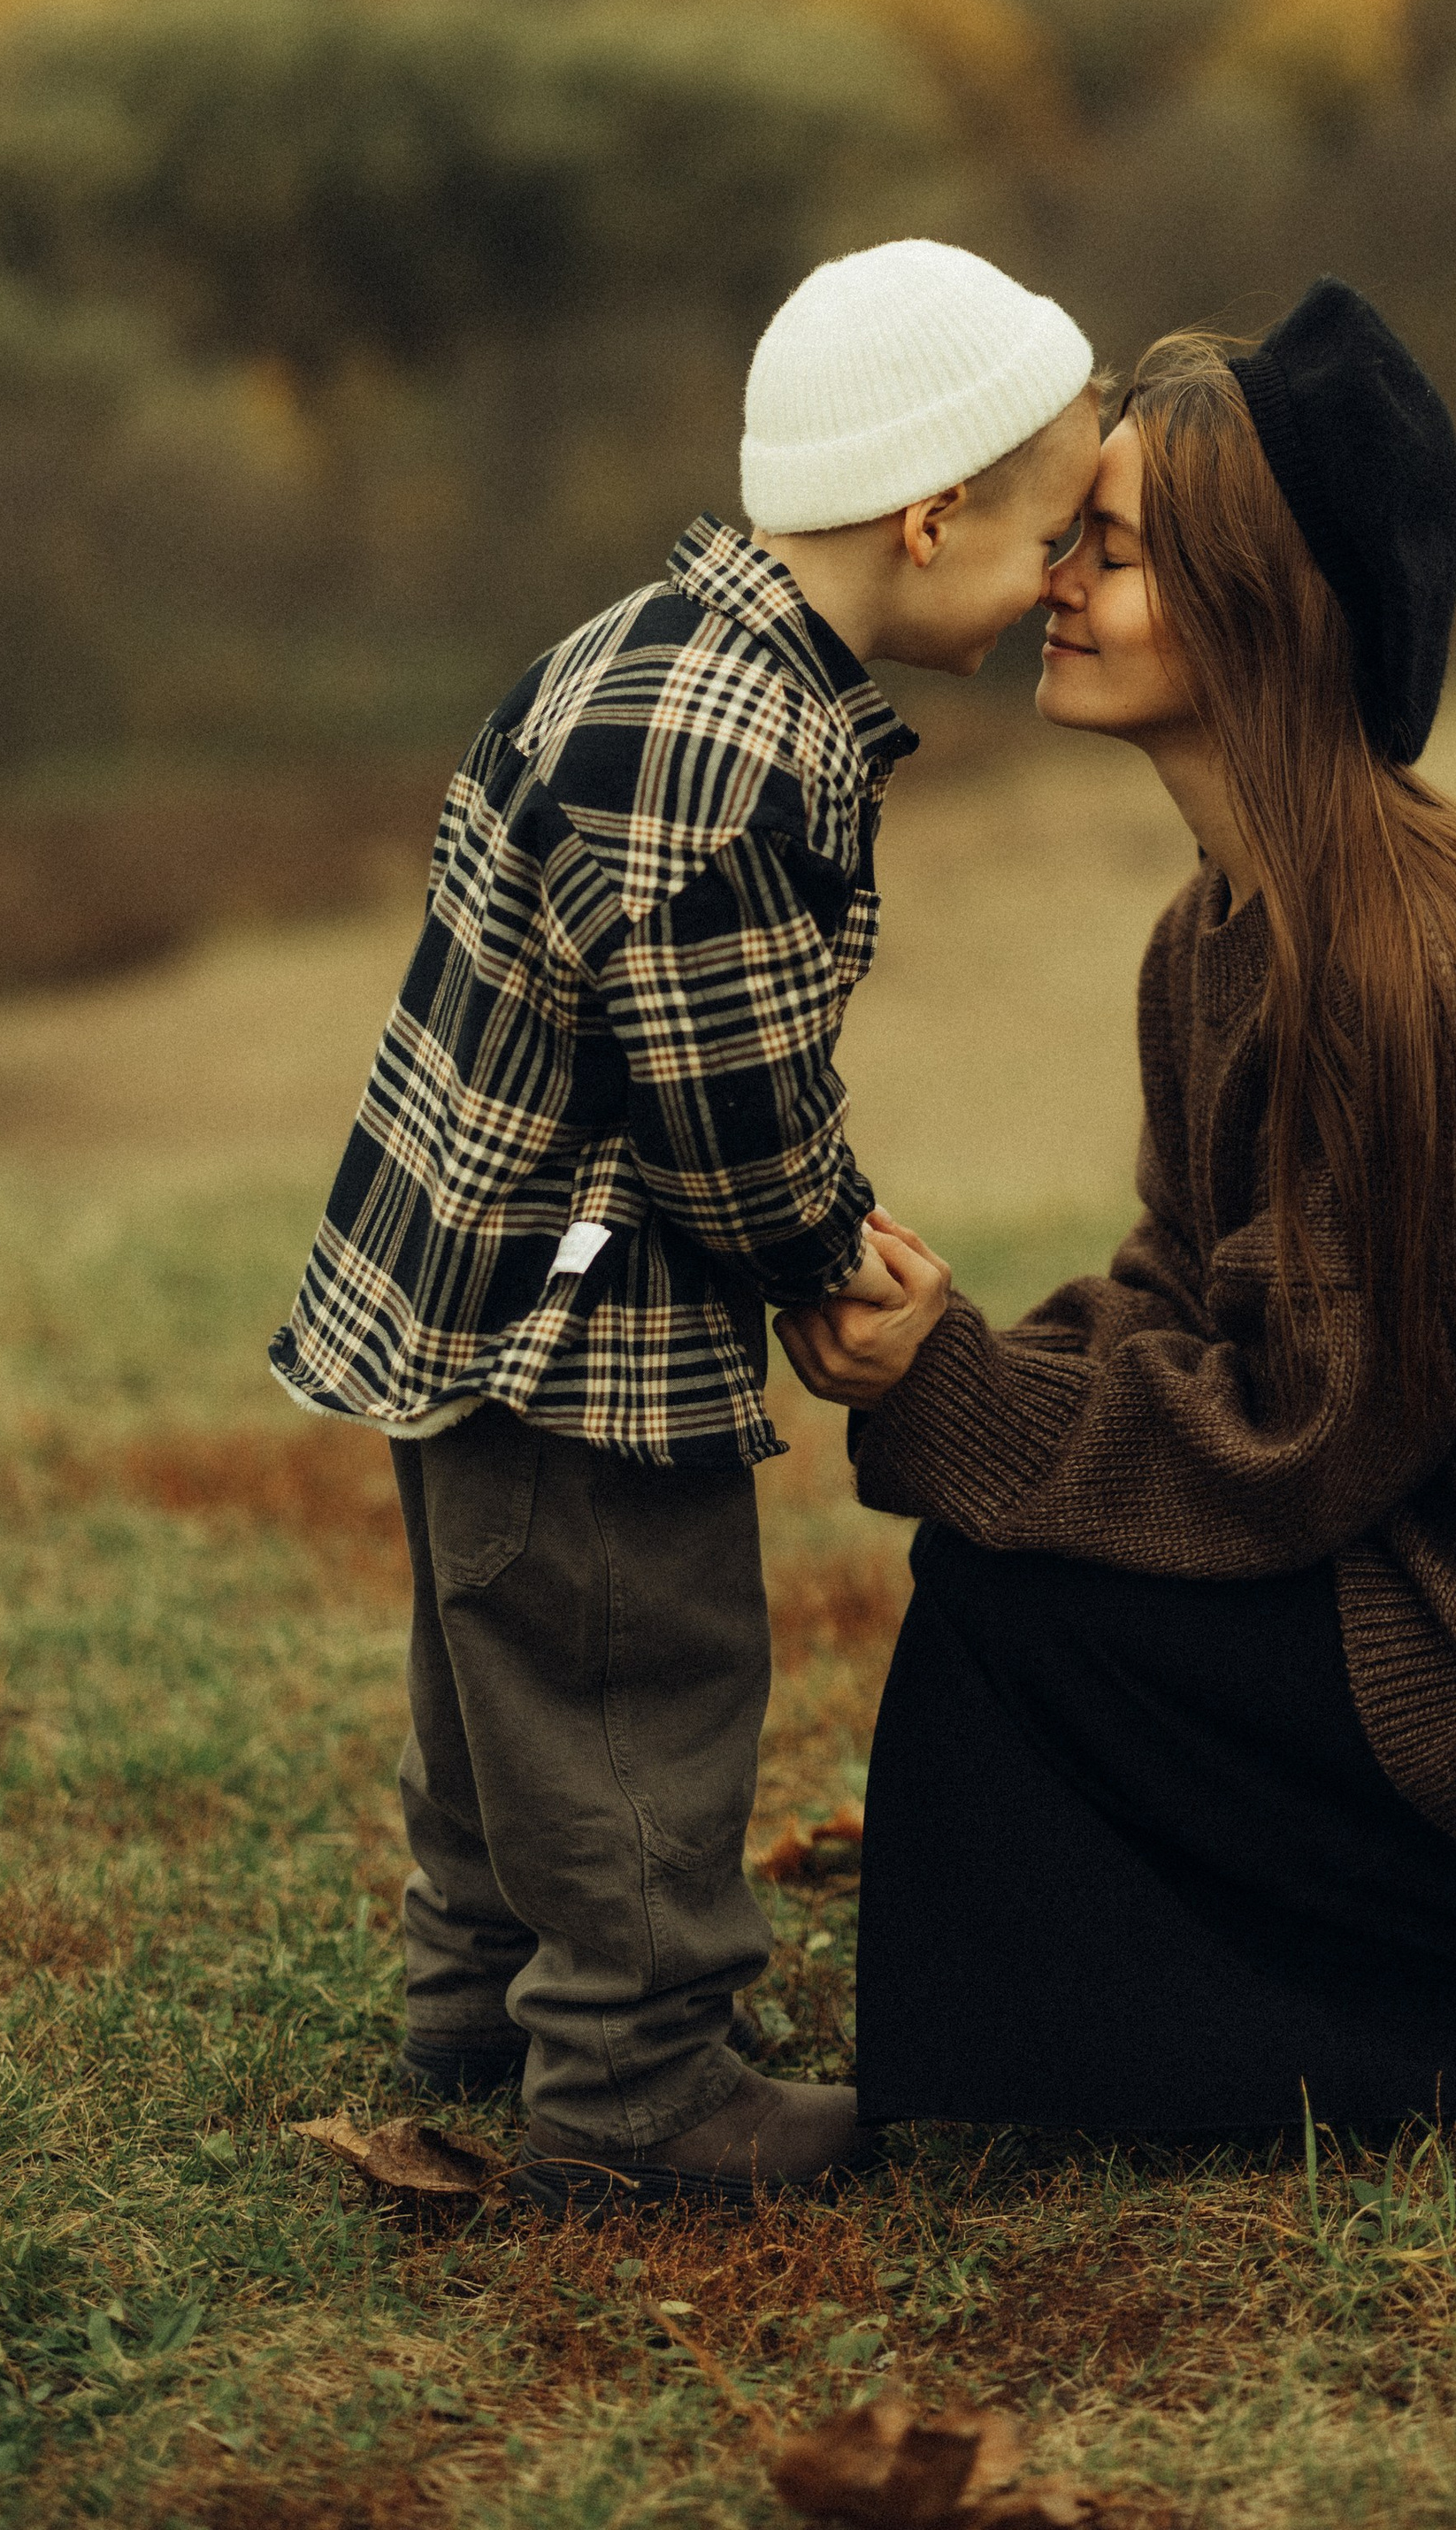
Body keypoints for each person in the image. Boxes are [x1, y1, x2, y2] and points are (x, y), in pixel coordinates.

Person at [781, 280, 1456, 2137]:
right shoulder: (1212, 937)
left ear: (1250, 605)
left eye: (1102, 551)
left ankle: (1426, 2017)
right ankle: (1161, 2023)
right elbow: (1187, 1301)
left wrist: (961, 1395)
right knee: (1023, 1555)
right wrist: (955, 1342)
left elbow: (1301, 1443)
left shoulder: (1397, 972)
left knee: (1014, 1596)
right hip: (1451, 1613)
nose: (1049, 579)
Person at [268, 237, 1101, 2208]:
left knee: (504, 1666)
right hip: (572, 1319)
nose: (1063, 580)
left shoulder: (660, 654)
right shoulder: (724, 757)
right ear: (929, 515)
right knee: (633, 1670)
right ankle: (637, 2086)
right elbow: (726, 1112)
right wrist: (819, 1257)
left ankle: (480, 1991)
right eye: (1053, 535)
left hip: (467, 1287)